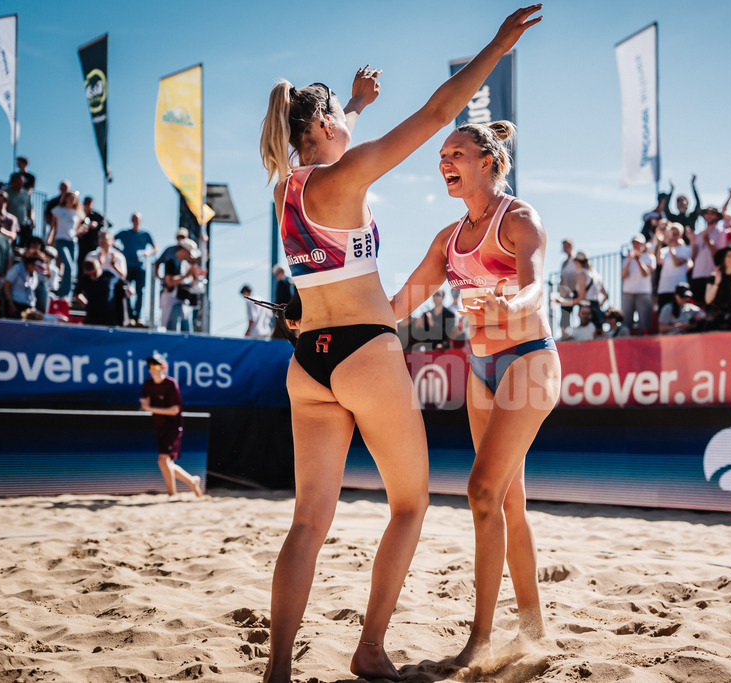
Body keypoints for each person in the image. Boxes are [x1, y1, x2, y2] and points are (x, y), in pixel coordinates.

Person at [257, 8, 542, 681]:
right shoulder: (345, 176)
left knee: (307, 523)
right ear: (321, 128)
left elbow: (332, 132)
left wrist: (350, 102)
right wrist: (497, 45)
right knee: (410, 504)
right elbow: (440, 108)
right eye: (339, 120)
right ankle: (370, 646)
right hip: (364, 352)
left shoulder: (285, 187)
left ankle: (276, 670)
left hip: (309, 358)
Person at [390, 116, 560, 668]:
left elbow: (535, 287)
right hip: (482, 371)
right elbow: (401, 302)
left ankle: (480, 641)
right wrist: (336, 320)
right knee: (508, 503)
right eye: (441, 155)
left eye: (455, 153)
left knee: (481, 492)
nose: (444, 163)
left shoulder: (518, 219)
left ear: (487, 160)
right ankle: (532, 630)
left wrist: (508, 306)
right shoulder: (449, 238)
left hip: (530, 362)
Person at [140, 354, 203, 500]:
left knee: (162, 460)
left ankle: (172, 494)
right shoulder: (148, 384)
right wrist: (146, 406)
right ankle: (192, 482)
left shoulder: (170, 384)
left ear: (163, 367)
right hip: (159, 426)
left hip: (173, 426)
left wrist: (151, 409)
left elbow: (174, 410)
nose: (152, 369)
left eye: (155, 366)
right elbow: (144, 402)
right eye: (150, 366)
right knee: (167, 463)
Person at [116, 213, 157, 322]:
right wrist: (119, 250)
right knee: (126, 290)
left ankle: (137, 316)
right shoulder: (125, 233)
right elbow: (112, 239)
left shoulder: (145, 234)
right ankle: (129, 315)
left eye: (137, 219)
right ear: (131, 220)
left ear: (141, 221)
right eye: (134, 219)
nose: (136, 221)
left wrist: (149, 252)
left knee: (140, 291)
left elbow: (155, 248)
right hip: (127, 267)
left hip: (140, 267)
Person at [48, 192, 84, 298]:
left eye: (75, 198)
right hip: (61, 240)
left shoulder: (78, 213)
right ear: (66, 198)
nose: (73, 200)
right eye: (71, 197)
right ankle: (64, 293)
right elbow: (52, 227)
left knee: (72, 268)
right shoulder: (58, 210)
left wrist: (82, 230)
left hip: (73, 242)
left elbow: (77, 230)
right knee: (67, 265)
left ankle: (66, 294)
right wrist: (49, 239)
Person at [689, 207, 725, 305]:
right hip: (697, 274)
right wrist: (692, 242)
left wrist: (708, 241)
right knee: (698, 304)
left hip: (712, 274)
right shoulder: (698, 234)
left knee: (712, 304)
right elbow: (693, 256)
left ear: (717, 216)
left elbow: (720, 255)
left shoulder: (721, 233)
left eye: (712, 213)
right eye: (707, 213)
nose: (709, 216)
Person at [620, 234, 655, 334]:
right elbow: (623, 276)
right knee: (626, 322)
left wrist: (638, 260)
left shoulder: (649, 257)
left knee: (644, 323)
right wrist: (629, 262)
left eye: (638, 243)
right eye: (634, 243)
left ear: (643, 244)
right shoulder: (626, 259)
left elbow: (646, 274)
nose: (636, 245)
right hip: (628, 292)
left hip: (643, 292)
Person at [75, 258, 125, 326]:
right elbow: (76, 293)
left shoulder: (110, 275)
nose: (92, 277)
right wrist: (86, 305)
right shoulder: (84, 278)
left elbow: (124, 285)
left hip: (109, 314)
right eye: (89, 275)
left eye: (94, 274)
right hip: (92, 315)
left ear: (99, 268)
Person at [654, 222, 692, 310]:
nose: (673, 237)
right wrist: (660, 243)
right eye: (671, 234)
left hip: (680, 290)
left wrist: (671, 247)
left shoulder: (686, 249)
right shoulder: (664, 250)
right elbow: (658, 261)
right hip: (664, 289)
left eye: (675, 234)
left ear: (680, 235)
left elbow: (677, 263)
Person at [556, 238, 580, 337]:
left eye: (567, 245)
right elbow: (562, 278)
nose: (566, 248)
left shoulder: (576, 260)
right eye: (564, 246)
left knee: (580, 312)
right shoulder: (564, 263)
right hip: (565, 292)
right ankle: (565, 334)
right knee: (565, 313)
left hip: (576, 291)